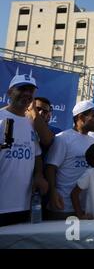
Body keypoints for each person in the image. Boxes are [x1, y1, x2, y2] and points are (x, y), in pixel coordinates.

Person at [0, 72, 48, 226]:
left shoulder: (31, 123)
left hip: (25, 205)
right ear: (9, 92)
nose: (27, 94)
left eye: (30, 90)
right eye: (21, 89)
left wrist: (39, 175)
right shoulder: (1, 118)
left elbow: (37, 154)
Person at [45, 101, 94, 220]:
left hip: (85, 206)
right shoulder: (63, 138)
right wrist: (52, 193)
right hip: (63, 205)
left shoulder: (92, 141)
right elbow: (51, 167)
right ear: (81, 117)